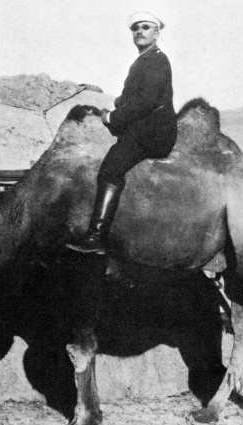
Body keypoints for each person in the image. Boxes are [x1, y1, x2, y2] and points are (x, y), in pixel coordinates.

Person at [67, 11, 177, 254]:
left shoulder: (157, 60)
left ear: (156, 33)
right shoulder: (144, 60)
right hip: (147, 128)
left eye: (146, 27)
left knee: (110, 170)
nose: (139, 31)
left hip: (152, 134)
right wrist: (115, 102)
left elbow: (147, 101)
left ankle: (96, 239)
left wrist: (112, 117)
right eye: (135, 28)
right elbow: (134, 96)